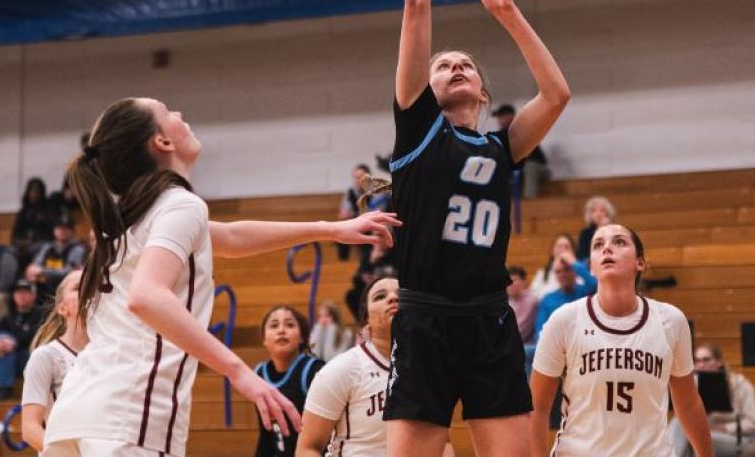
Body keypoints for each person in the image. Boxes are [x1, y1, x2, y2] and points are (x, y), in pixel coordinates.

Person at [42, 97, 401, 457]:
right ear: (162, 142)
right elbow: (146, 295)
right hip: (127, 416)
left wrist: (332, 229)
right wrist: (240, 373)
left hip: (74, 414)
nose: (180, 114)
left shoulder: (131, 218)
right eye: (168, 112)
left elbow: (231, 238)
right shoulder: (177, 205)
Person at [384, 0, 570, 454]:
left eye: (466, 64)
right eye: (443, 65)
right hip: (425, 318)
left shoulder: (501, 146)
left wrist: (508, 14)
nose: (456, 67)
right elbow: (416, 3)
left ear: (483, 92)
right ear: (427, 85)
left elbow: (556, 94)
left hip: (490, 317)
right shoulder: (418, 130)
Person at [529, 224, 713, 457]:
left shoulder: (672, 321)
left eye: (619, 242)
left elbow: (687, 404)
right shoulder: (564, 320)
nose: (607, 248)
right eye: (598, 245)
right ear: (591, 268)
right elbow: (537, 407)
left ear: (640, 263)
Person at [299, 277, 455, 457]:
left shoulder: (430, 370)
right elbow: (307, 448)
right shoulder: (341, 370)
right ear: (366, 320)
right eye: (380, 296)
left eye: (401, 295)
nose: (392, 298)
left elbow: (443, 443)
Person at [21, 270, 89, 453]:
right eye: (77, 287)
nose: (89, 290)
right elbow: (29, 428)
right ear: (62, 308)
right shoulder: (45, 356)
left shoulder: (111, 354)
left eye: (92, 285)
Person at [254, 305, 325, 457]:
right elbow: (266, 436)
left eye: (289, 325)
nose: (281, 330)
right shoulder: (259, 375)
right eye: (274, 325)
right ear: (264, 340)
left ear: (301, 338)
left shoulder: (315, 371)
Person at [668, 343, 755, 457]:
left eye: (706, 360)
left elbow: (754, 423)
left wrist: (722, 428)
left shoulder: (741, 384)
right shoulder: (694, 386)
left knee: (693, 439)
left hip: (740, 440)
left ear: (719, 362)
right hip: (707, 435)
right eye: (697, 361)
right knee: (679, 422)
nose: (701, 365)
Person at [0, 278, 44, 400]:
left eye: (25, 292)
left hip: (31, 359)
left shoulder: (40, 314)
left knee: (8, 350)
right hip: (9, 362)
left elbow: (35, 336)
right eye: (18, 292)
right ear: (13, 296)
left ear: (33, 296)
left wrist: (13, 343)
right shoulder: (7, 318)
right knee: (4, 339)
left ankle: (5, 388)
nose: (21, 296)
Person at [493, 104, 550, 199]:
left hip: (537, 168)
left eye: (501, 116)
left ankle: (529, 202)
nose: (499, 120)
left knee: (530, 166)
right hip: (518, 170)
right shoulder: (500, 136)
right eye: (499, 117)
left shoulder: (523, 131)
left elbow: (526, 157)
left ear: (510, 116)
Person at [26, 215, 87, 304]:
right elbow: (35, 267)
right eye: (59, 228)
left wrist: (43, 272)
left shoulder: (77, 249)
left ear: (72, 231)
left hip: (66, 290)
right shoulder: (47, 247)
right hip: (45, 290)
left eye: (66, 228)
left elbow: (70, 272)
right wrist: (35, 271)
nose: (62, 231)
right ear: (54, 230)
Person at [534, 258, 595, 341]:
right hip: (555, 346)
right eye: (558, 272)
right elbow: (540, 331)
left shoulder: (588, 292)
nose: (562, 274)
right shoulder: (548, 299)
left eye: (566, 270)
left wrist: (575, 264)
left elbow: (598, 285)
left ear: (575, 272)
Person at [529, 234, 595, 300]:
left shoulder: (580, 271)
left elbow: (595, 285)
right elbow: (533, 299)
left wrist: (574, 263)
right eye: (559, 246)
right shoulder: (542, 274)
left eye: (566, 247)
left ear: (573, 252)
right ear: (552, 251)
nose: (562, 250)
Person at [11, 177, 57, 255]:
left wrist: (34, 240)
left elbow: (53, 234)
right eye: (31, 191)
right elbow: (15, 234)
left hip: (42, 244)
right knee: (9, 252)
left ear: (42, 194)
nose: (34, 194)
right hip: (24, 245)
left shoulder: (49, 209)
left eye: (37, 192)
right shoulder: (24, 211)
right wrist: (20, 242)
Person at [575, 196, 616, 261]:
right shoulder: (585, 233)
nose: (598, 214)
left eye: (602, 210)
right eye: (594, 211)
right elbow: (581, 256)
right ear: (590, 215)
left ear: (608, 213)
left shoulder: (615, 230)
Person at [507, 266, 537, 345]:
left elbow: (521, 330)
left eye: (515, 280)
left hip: (524, 344)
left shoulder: (531, 301)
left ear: (524, 282)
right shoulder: (506, 301)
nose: (511, 284)